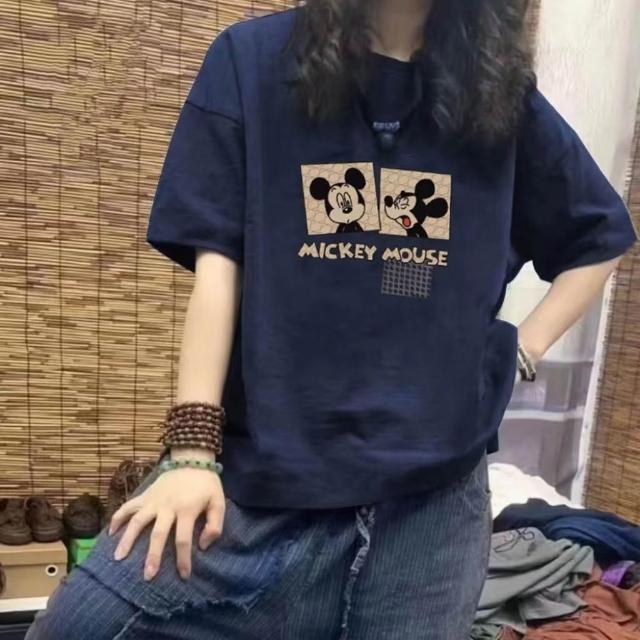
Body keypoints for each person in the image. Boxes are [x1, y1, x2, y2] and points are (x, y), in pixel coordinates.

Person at [27, 1, 637, 638]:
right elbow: (218, 270)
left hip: (431, 510)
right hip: (268, 486)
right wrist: (191, 454)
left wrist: (524, 348)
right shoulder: (252, 61)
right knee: (77, 626)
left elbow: (599, 235)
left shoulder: (498, 88)